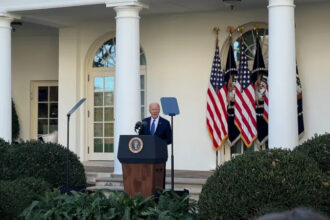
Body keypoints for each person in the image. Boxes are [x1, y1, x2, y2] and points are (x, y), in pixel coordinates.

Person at [140, 102, 172, 189]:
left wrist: (159, 143)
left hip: (160, 154)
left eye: (156, 109)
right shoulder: (144, 122)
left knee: (159, 175)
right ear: (150, 110)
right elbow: (140, 138)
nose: (155, 111)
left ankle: (160, 193)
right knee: (146, 174)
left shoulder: (165, 123)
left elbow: (169, 139)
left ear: (159, 110)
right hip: (146, 154)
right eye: (153, 109)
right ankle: (146, 191)